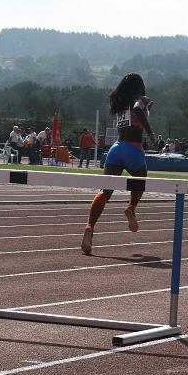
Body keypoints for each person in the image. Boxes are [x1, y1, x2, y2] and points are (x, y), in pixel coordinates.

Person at [81, 73, 155, 255]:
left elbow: (134, 113)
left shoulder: (120, 104)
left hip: (115, 149)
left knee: (105, 192)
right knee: (141, 180)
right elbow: (138, 109)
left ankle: (89, 227)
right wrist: (150, 133)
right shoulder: (141, 99)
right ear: (140, 86)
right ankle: (131, 208)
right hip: (133, 150)